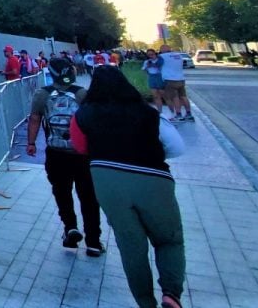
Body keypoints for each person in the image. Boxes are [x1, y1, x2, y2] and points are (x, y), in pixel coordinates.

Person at [72, 66, 186, 308]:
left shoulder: (84, 114)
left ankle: (146, 303)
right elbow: (176, 147)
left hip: (107, 181)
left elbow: (80, 147)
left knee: (131, 247)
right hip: (153, 179)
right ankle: (171, 294)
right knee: (169, 239)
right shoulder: (147, 113)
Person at [25, 57, 103, 256]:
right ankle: (94, 240)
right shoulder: (81, 93)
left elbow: (35, 120)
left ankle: (70, 227)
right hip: (82, 153)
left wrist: (31, 143)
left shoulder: (42, 94)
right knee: (88, 197)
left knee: (62, 193)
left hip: (56, 153)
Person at [158, 45, 194, 122]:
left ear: (162, 50)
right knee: (184, 97)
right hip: (181, 78)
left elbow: (156, 64)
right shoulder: (178, 55)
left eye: (160, 50)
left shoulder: (162, 56)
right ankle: (189, 114)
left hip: (170, 79)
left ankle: (178, 115)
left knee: (174, 97)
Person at [142, 49, 166, 116]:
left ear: (155, 54)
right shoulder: (147, 62)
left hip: (160, 77)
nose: (150, 56)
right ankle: (160, 111)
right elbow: (144, 69)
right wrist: (147, 68)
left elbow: (161, 67)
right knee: (155, 96)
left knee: (163, 95)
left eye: (152, 54)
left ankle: (173, 110)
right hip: (152, 77)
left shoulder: (160, 60)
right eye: (149, 55)